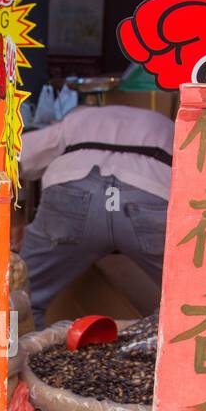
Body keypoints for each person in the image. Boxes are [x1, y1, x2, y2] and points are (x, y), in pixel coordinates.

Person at [18, 103, 173, 326]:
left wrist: (16, 219)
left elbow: (14, 157)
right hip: (149, 198)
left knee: (22, 296)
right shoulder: (164, 123)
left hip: (74, 196)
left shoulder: (76, 120)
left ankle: (15, 357)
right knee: (190, 296)